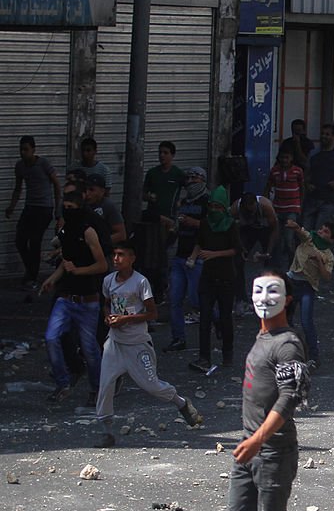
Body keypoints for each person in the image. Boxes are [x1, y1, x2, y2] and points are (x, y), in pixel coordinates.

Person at [225, 269, 314, 511]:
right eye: (257, 289)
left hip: (273, 450)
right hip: (251, 447)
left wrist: (260, 438)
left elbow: (291, 396)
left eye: (272, 290)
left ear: (287, 299)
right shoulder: (262, 337)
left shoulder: (288, 343)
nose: (263, 297)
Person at [95, 242, 202, 447]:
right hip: (115, 343)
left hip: (137, 344)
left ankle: (181, 403)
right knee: (105, 385)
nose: (116, 259)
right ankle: (105, 431)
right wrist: (108, 317)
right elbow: (107, 303)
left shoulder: (140, 282)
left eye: (121, 255)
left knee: (152, 385)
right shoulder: (108, 280)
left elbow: (152, 313)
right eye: (114, 255)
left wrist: (126, 320)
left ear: (132, 258)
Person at [39, 188, 107, 403]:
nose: (67, 212)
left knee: (89, 349)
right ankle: (63, 383)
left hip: (87, 300)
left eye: (71, 209)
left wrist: (78, 270)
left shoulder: (88, 232)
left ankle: (97, 389)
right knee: (51, 337)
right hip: (66, 298)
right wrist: (52, 279)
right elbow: (65, 262)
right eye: (65, 208)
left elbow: (102, 265)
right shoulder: (66, 232)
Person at [189, 186, 242, 373]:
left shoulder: (230, 225)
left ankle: (228, 353)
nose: (214, 210)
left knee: (226, 317)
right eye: (211, 206)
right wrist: (193, 258)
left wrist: (214, 254)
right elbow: (199, 243)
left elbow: (236, 250)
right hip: (208, 277)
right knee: (204, 317)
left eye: (218, 207)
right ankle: (204, 357)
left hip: (226, 276)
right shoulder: (205, 224)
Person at [7, 135, 62, 290]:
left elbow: (57, 185)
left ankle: (32, 277)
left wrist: (58, 210)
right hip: (30, 207)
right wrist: (12, 206)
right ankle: (30, 271)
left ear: (33, 150)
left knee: (35, 240)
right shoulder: (20, 166)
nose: (23, 153)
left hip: (44, 208)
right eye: (21, 150)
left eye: (26, 150)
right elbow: (18, 188)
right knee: (20, 240)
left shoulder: (43, 164)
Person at [164, 167, 209, 352]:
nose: (190, 181)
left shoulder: (208, 200)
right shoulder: (182, 201)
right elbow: (177, 224)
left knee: (196, 299)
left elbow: (214, 226)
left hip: (197, 257)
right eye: (188, 178)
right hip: (180, 255)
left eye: (195, 178)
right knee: (175, 299)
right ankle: (178, 338)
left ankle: (219, 321)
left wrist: (196, 223)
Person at [285, 219, 334, 369]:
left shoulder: (328, 255)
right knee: (284, 318)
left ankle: (313, 357)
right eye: (321, 229)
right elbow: (301, 231)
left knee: (306, 321)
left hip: (307, 286)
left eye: (325, 231)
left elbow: (327, 277)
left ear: (331, 240)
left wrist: (318, 261)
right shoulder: (308, 240)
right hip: (291, 282)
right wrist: (294, 225)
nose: (320, 232)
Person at [304, 124, 334, 230]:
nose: (324, 136)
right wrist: (307, 184)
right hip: (312, 199)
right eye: (322, 134)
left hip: (328, 200)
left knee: (321, 232)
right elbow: (306, 173)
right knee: (306, 232)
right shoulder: (313, 154)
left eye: (327, 134)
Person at [266, 150, 305, 262]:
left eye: (287, 157)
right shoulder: (274, 171)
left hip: (292, 208)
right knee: (277, 237)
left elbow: (302, 188)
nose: (284, 160)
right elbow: (268, 187)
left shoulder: (298, 171)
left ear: (291, 158)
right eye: (282, 158)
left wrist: (300, 205)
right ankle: (277, 262)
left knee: (288, 238)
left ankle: (292, 263)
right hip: (278, 208)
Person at [83, 173, 127, 245]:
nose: (87, 193)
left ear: (102, 191)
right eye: (85, 189)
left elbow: (121, 235)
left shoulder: (108, 206)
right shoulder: (81, 205)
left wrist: (98, 243)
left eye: (92, 190)